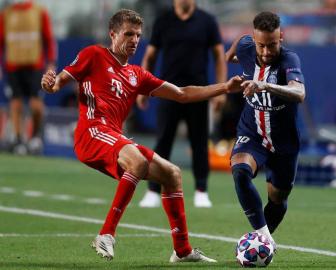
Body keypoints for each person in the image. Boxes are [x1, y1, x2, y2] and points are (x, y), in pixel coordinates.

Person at [41, 9, 242, 262]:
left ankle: (182, 251)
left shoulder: (136, 74)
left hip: (113, 136)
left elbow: (182, 93)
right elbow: (60, 81)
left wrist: (224, 87)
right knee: (137, 161)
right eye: (128, 34)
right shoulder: (94, 55)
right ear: (112, 34)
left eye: (137, 35)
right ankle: (106, 234)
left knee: (172, 174)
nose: (134, 39)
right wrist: (51, 83)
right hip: (91, 133)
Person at [225, 11, 306, 252]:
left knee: (278, 199)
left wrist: (265, 85)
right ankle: (263, 241)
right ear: (254, 39)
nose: (266, 52)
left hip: (284, 141)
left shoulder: (290, 60)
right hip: (252, 132)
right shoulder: (246, 46)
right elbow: (233, 52)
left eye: (272, 45)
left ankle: (262, 240)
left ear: (281, 37)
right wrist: (232, 61)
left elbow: (299, 93)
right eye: (261, 45)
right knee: (239, 171)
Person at [137, 0, 227, 208]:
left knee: (199, 143)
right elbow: (150, 56)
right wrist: (143, 87)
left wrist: (220, 90)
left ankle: (201, 191)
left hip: (198, 92)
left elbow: (218, 57)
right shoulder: (163, 21)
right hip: (169, 91)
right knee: (162, 143)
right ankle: (152, 191)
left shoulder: (207, 21)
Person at [0, 0, 56, 154]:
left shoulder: (39, 12)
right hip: (13, 66)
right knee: (15, 104)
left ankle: (36, 137)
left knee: (36, 105)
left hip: (35, 67)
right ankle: (18, 140)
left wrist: (51, 63)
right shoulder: (6, 15)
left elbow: (48, 39)